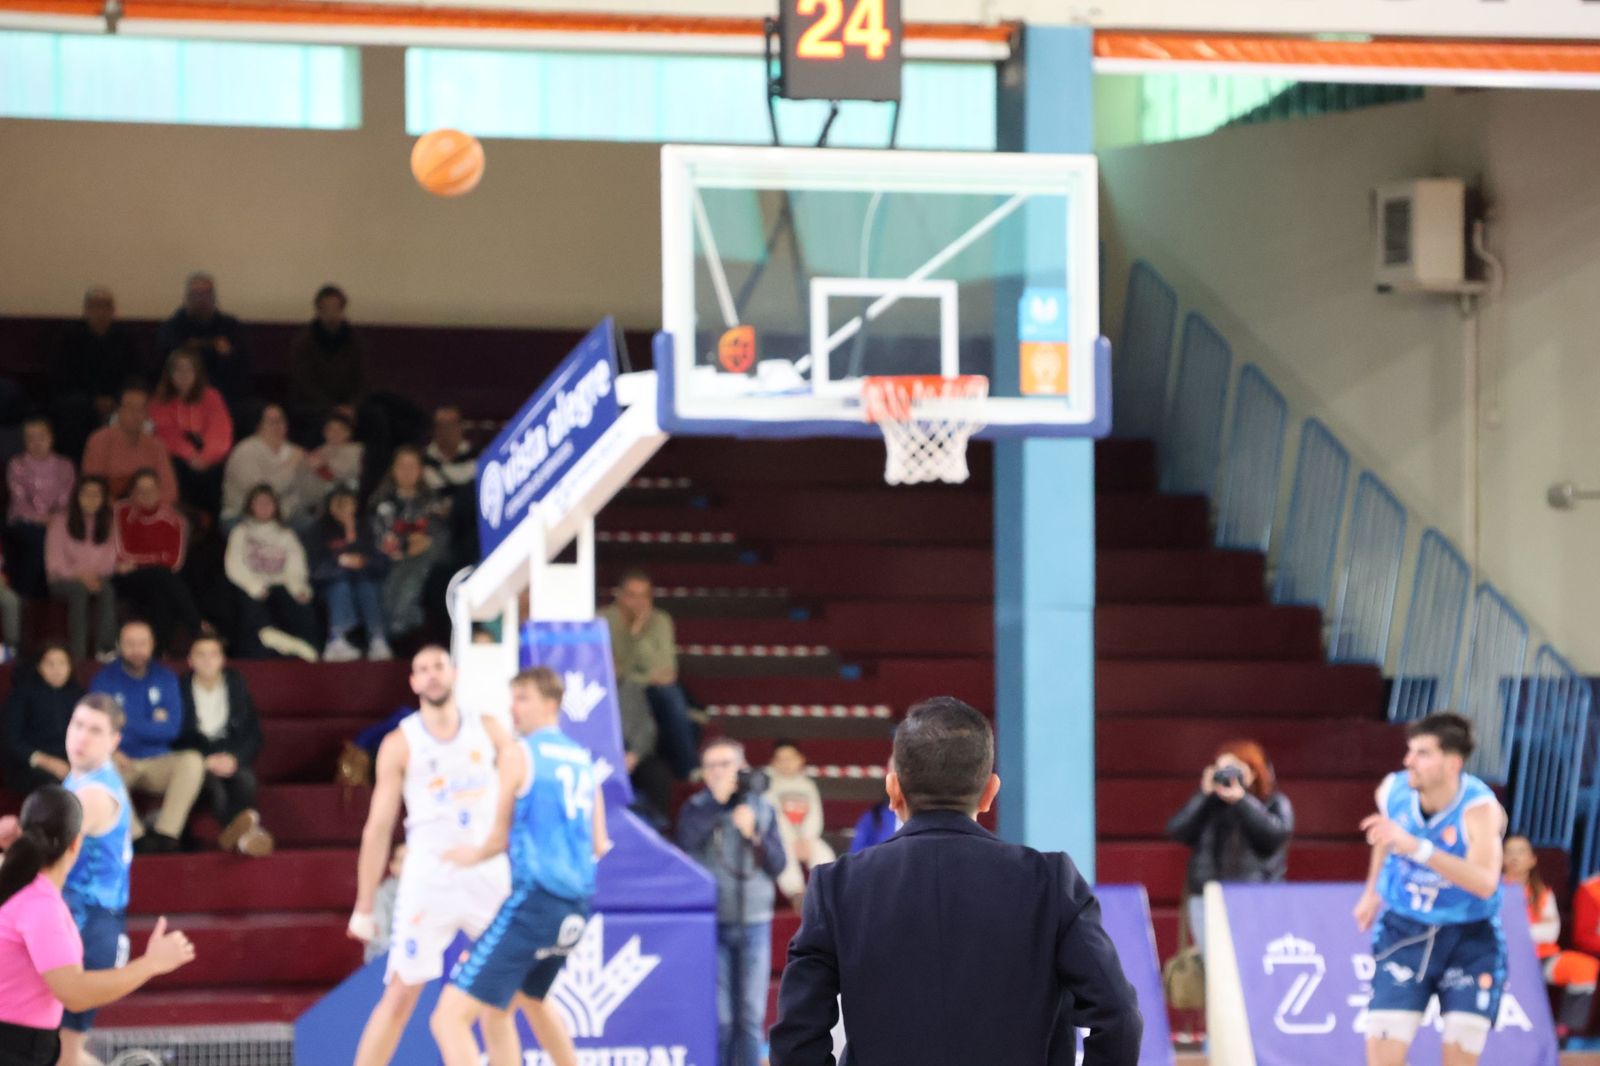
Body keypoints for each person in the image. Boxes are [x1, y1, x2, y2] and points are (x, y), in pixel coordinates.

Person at [770, 697, 1143, 1066]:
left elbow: (796, 1039)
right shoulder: (1051, 881)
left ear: (894, 790)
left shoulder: (836, 886)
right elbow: (1118, 1018)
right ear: (989, 792)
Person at [430, 667, 610, 1066]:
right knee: (516, 1004)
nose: (514, 706)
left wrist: (467, 856)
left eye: (522, 697)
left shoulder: (519, 753)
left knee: (448, 1020)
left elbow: (497, 838)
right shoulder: (583, 760)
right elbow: (600, 843)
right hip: (577, 905)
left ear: (550, 703)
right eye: (512, 697)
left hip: (536, 900)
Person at [344, 646, 515, 1066]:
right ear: (414, 682)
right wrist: (365, 902)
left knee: (501, 997)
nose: (432, 675)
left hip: (487, 874)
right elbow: (379, 827)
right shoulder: (400, 742)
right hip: (429, 880)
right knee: (401, 993)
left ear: (453, 673)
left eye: (438, 666)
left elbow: (521, 795)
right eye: (422, 670)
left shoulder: (490, 729)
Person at [1353, 712, 1508, 1066]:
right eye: (1410, 751)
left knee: (1459, 1055)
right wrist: (1372, 891)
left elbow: (1485, 883)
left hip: (1469, 937)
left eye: (1422, 753)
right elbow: (1385, 835)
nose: (1409, 761)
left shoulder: (1479, 810)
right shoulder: (1392, 789)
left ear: (1452, 763)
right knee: (1382, 1058)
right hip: (1404, 930)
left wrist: (1418, 849)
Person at [0, 784, 194, 1066]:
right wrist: (152, 963)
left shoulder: (14, 881)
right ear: (76, 844)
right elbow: (75, 993)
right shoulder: (41, 905)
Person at [677, 738, 787, 1066]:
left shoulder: (762, 807)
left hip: (754, 920)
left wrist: (753, 833)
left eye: (725, 764)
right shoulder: (695, 808)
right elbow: (684, 846)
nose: (717, 772)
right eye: (710, 766)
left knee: (751, 1018)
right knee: (722, 1019)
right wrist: (716, 806)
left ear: (741, 768)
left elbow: (778, 864)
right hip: (712, 921)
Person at [56, 693, 138, 1064]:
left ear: (114, 741)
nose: (82, 737)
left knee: (64, 1054)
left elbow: (39, 859)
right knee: (60, 1053)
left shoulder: (92, 793)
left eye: (95, 730)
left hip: (88, 929)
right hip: (73, 923)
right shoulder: (76, 779)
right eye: (77, 725)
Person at [1165, 739, 1293, 951]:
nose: (1226, 775)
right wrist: (1203, 796)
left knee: (1250, 961)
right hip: (1207, 896)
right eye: (1221, 769)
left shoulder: (1274, 803)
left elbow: (1275, 836)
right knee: (1216, 966)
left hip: (1255, 897)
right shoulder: (1210, 805)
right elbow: (1177, 830)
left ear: (1252, 772)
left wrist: (1241, 800)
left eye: (1233, 769)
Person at [90, 620, 202, 854]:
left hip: (157, 760)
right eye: (130, 643)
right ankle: (137, 837)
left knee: (193, 760)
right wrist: (149, 724)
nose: (136, 649)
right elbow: (98, 728)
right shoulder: (104, 680)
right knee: (100, 764)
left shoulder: (166, 677)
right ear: (120, 645)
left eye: (142, 643)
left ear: (152, 645)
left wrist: (124, 723)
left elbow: (171, 729)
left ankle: (166, 834)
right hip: (122, 761)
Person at [178, 635, 273, 858]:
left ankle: (238, 835)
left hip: (230, 752)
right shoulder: (180, 688)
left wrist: (236, 758)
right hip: (197, 757)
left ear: (222, 659)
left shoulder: (237, 684)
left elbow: (253, 733)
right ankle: (245, 835)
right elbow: (177, 735)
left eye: (213, 654)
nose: (207, 661)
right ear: (190, 660)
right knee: (215, 790)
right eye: (201, 655)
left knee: (246, 780)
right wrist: (204, 760)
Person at [600, 571, 697, 779]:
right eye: (631, 595)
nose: (637, 602)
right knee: (628, 692)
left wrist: (638, 634)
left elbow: (667, 671)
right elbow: (613, 671)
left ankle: (688, 769)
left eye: (644, 596)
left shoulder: (660, 620)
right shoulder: (603, 619)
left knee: (671, 697)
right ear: (619, 595)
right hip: (619, 689)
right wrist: (638, 673)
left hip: (653, 689)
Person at [112, 469, 204, 655]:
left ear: (160, 491)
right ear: (132, 492)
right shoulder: (120, 510)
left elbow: (174, 562)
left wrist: (141, 562)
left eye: (151, 489)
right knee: (163, 577)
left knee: (163, 590)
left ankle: (158, 651)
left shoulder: (175, 519)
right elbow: (121, 550)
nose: (146, 495)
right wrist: (156, 559)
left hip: (156, 579)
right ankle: (197, 627)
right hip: (126, 577)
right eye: (140, 489)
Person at [224, 484, 318, 662]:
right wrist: (255, 586)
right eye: (259, 503)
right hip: (251, 584)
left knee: (302, 602)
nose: (264, 507)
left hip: (282, 583)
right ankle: (265, 644)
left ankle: (305, 651)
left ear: (275, 506)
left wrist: (298, 588)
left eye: (268, 503)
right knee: (250, 602)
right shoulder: (240, 532)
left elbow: (296, 566)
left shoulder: (287, 535)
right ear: (250, 506)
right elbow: (234, 566)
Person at [49, 286, 141, 463]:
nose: (101, 311)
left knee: (134, 406)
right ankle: (75, 468)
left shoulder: (126, 339)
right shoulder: (69, 338)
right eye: (95, 306)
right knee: (72, 407)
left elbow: (135, 376)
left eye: (106, 306)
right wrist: (93, 400)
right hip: (80, 400)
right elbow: (61, 377)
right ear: (86, 309)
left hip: (118, 400)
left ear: (113, 310)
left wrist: (116, 399)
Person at [368, 446, 449, 641]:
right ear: (393, 470)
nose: (407, 471)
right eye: (402, 466)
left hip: (428, 557)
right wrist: (404, 545)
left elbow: (437, 534)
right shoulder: (381, 501)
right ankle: (403, 619)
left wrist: (421, 542)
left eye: (412, 466)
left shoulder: (432, 501)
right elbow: (381, 536)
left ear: (420, 471)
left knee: (423, 558)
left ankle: (402, 619)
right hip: (392, 558)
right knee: (403, 568)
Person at [307, 486, 391, 662]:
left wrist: (360, 555)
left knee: (366, 586)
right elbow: (315, 568)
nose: (344, 509)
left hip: (363, 581)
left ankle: (377, 638)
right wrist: (340, 561)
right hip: (330, 584)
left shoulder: (366, 528)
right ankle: (337, 638)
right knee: (341, 585)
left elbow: (381, 562)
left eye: (348, 504)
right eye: (339, 504)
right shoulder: (318, 530)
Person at [149, 349, 233, 516]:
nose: (183, 375)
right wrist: (190, 455)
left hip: (208, 458)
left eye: (188, 370)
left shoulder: (211, 396)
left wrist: (206, 457)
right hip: (178, 458)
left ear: (197, 372)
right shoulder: (160, 399)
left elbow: (220, 430)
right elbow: (164, 433)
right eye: (178, 370)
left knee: (215, 474)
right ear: (169, 374)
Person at [46, 477, 119, 665]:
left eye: (97, 495)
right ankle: (77, 656)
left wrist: (92, 577)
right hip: (62, 579)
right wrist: (81, 576)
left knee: (108, 591)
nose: (91, 499)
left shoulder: (109, 522)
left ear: (104, 499)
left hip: (96, 578)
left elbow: (110, 559)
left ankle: (104, 651)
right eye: (86, 494)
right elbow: (55, 562)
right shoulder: (60, 520)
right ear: (77, 496)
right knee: (79, 591)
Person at [157, 272, 249, 415]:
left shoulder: (231, 327)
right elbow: (169, 359)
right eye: (196, 295)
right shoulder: (172, 327)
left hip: (225, 396)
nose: (201, 300)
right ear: (186, 298)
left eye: (206, 294)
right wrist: (211, 346)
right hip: (180, 394)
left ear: (214, 297)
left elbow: (241, 365)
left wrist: (224, 353)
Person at [0, 646, 85, 795]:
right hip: (29, 764)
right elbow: (11, 740)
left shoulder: (78, 694)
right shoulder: (22, 694)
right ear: (39, 667)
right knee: (59, 787)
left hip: (70, 761)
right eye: (50, 664)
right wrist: (48, 763)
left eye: (62, 664)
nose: (57, 670)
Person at [288, 284, 367, 443]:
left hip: (349, 407)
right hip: (313, 407)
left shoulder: (355, 341)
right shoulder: (303, 343)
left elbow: (363, 380)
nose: (331, 313)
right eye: (327, 308)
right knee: (316, 421)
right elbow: (303, 384)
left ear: (343, 309)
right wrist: (332, 408)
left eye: (336, 308)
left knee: (376, 417)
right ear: (318, 310)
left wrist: (352, 405)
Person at [6, 416, 75, 598]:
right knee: (39, 538)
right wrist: (42, 519)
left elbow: (65, 499)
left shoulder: (64, 466)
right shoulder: (17, 464)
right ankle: (26, 596)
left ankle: (61, 587)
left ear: (51, 438)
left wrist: (54, 519)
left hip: (58, 521)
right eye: (30, 438)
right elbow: (20, 502)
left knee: (60, 535)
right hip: (23, 521)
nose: (36, 443)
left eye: (41, 437)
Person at [764, 740, 836, 907]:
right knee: (782, 856)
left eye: (790, 758)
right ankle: (797, 894)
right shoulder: (770, 787)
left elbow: (816, 814)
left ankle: (825, 890)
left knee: (824, 853)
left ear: (800, 760)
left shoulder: (808, 786)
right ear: (773, 763)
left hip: (807, 836)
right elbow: (774, 816)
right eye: (780, 759)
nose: (786, 763)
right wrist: (792, 838)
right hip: (782, 837)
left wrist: (806, 838)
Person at [81, 384, 179, 505]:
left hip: (150, 511)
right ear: (118, 410)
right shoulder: (99, 440)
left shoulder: (157, 445)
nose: (136, 414)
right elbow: (92, 488)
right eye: (130, 407)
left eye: (141, 408)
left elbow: (170, 491)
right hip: (109, 512)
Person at [221, 405, 312, 528]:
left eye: (280, 420)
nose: (277, 425)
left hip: (286, 515)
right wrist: (291, 465)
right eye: (270, 421)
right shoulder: (245, 451)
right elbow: (260, 493)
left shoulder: (293, 451)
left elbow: (305, 493)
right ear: (259, 425)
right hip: (245, 516)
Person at [364, 843, 406, 966]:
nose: (410, 865)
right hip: (383, 961)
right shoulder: (381, 895)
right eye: (403, 860)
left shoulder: (429, 895)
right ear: (393, 866)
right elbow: (379, 939)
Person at [307, 412, 363, 500]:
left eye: (340, 429)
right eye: (331, 429)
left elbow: (336, 475)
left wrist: (320, 467)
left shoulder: (355, 450)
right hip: (318, 497)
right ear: (324, 432)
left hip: (348, 495)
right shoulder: (320, 450)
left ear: (348, 432)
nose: (335, 433)